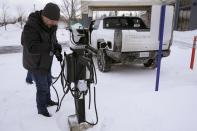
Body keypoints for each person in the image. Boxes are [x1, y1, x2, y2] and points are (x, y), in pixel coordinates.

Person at [21, 3, 63, 117]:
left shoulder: (51, 26)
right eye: (51, 20)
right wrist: (51, 47)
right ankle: (41, 109)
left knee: (48, 82)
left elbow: (53, 40)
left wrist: (57, 48)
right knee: (42, 87)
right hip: (35, 62)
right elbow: (31, 47)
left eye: (55, 21)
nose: (53, 23)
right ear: (44, 16)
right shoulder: (31, 26)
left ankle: (47, 101)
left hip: (46, 61)